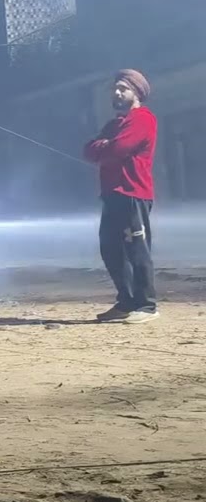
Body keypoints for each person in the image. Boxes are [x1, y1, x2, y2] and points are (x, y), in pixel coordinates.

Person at [83, 70, 158, 324]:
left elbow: (119, 148)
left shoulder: (143, 119)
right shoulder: (114, 124)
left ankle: (147, 306)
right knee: (110, 249)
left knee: (137, 249)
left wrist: (105, 146)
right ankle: (126, 301)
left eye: (123, 89)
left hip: (133, 192)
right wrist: (106, 146)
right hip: (112, 194)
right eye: (115, 88)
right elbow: (89, 150)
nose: (117, 93)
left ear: (136, 93)